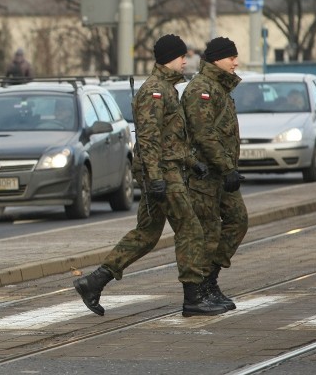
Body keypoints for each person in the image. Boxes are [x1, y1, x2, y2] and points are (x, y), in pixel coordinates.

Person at [73, 34, 225, 318]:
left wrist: (192, 162)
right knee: (190, 230)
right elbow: (149, 139)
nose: (185, 61)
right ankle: (193, 298)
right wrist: (155, 177)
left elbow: (171, 139)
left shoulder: (168, 90)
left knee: (147, 234)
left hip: (167, 170)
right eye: (182, 56)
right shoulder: (154, 91)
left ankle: (93, 282)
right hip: (164, 175)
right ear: (170, 57)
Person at [182, 36, 247, 311]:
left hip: (221, 174)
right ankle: (198, 293)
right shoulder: (202, 89)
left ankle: (210, 282)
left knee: (237, 220)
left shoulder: (219, 87)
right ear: (217, 59)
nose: (236, 62)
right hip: (205, 175)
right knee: (207, 233)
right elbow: (204, 135)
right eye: (231, 57)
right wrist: (226, 167)